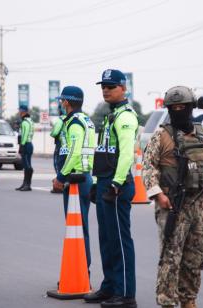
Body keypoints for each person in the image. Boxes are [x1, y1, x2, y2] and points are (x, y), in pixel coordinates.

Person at [143, 86, 203, 308]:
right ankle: (166, 301)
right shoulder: (160, 136)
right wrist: (159, 196)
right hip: (172, 203)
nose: (178, 111)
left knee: (195, 258)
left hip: (199, 204)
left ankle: (189, 299)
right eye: (173, 108)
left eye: (183, 107)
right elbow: (148, 168)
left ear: (192, 108)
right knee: (170, 257)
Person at [85, 69, 138, 308]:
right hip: (105, 180)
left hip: (118, 184)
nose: (106, 89)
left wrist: (116, 184)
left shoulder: (125, 117)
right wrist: (96, 183)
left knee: (119, 240)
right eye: (103, 86)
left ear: (123, 88)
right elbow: (102, 152)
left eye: (111, 86)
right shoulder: (110, 116)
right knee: (106, 239)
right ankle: (109, 287)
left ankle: (126, 294)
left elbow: (126, 154)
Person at [52, 86, 96, 272]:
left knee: (77, 229)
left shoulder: (75, 123)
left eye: (62, 101)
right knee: (79, 228)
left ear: (67, 102)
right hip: (82, 177)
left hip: (76, 179)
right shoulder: (84, 119)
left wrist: (61, 177)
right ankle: (80, 269)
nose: (61, 104)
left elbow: (75, 152)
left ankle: (80, 271)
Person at [16, 106, 34, 191]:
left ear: (24, 112)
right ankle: (25, 183)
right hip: (28, 144)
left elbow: (25, 135)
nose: (19, 112)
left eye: (20, 111)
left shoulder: (25, 122)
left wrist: (21, 146)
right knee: (26, 165)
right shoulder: (29, 121)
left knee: (27, 165)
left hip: (26, 144)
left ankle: (27, 185)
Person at [50, 105, 66, 193]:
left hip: (60, 145)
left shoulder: (61, 120)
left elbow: (54, 132)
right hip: (68, 146)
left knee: (58, 164)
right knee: (65, 165)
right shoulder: (72, 119)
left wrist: (52, 133)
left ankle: (59, 184)